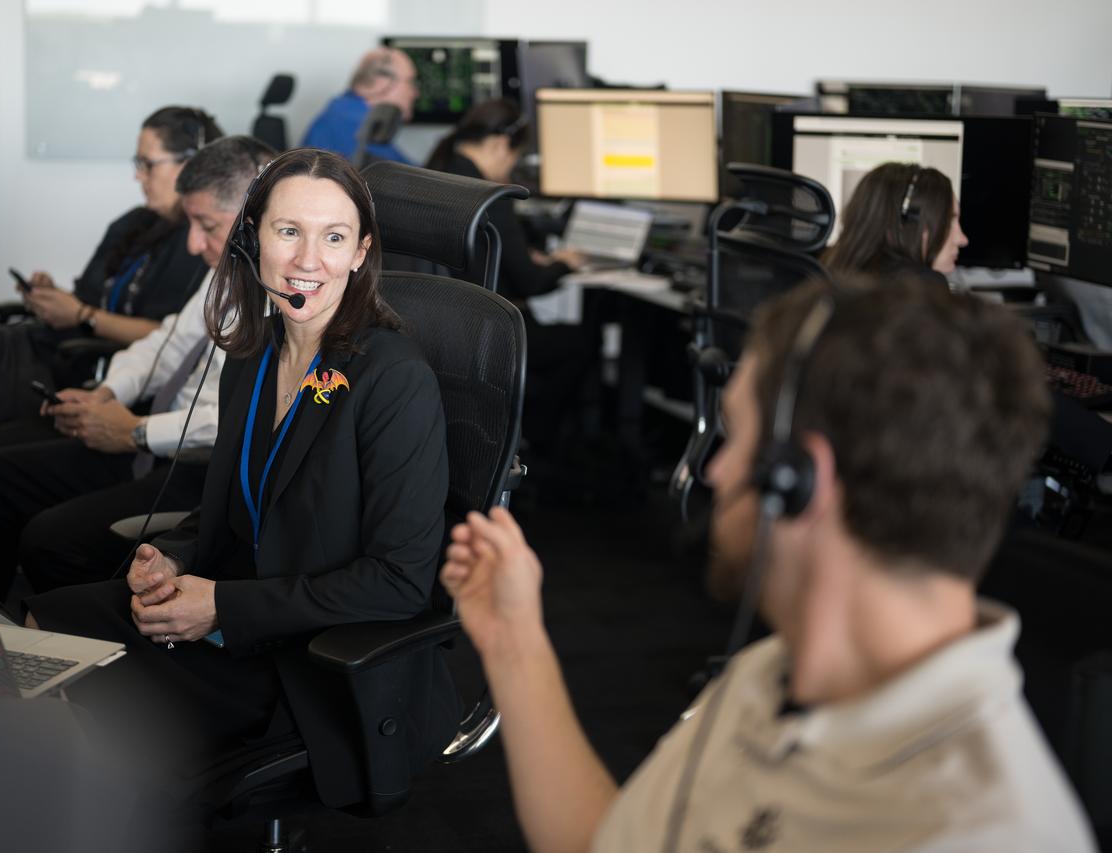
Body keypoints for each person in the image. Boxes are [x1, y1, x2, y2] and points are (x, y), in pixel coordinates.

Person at [441, 274, 1097, 851]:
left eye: (737, 435)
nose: (717, 471)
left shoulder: (975, 831)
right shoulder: (771, 675)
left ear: (801, 478)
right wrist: (514, 641)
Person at [24, 149, 460, 809]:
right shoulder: (251, 359)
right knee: (43, 627)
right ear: (251, 241)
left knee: (79, 688)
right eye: (289, 231)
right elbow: (228, 509)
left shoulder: (391, 379)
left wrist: (222, 606)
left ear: (361, 253)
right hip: (235, 616)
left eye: (334, 237)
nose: (309, 258)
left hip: (311, 660)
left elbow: (400, 582)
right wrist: (170, 559)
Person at [0, 136, 275, 603]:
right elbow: (165, 343)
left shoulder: (285, 298)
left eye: (206, 225)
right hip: (150, 440)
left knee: (50, 541)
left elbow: (242, 421)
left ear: (251, 217)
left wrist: (137, 431)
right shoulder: (226, 268)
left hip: (197, 473)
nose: (193, 242)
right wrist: (108, 393)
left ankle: (71, 645)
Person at [0, 106, 223, 444]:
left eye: (147, 164)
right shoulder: (134, 223)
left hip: (82, 363)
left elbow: (173, 338)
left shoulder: (200, 247)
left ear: (188, 164)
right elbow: (90, 297)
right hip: (51, 340)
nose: (137, 176)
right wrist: (56, 299)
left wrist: (82, 316)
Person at [426, 99, 590, 452]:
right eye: (516, 158)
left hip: (443, 328)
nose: (513, 167)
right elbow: (531, 282)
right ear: (501, 146)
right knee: (580, 342)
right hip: (488, 333)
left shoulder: (438, 173)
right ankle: (542, 442)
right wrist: (564, 263)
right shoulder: (490, 196)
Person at [822, 161, 969, 286]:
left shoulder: (824, 274)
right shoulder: (920, 286)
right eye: (948, 222)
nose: (962, 239)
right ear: (906, 224)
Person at [300, 47, 417, 163]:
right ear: (382, 82)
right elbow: (409, 176)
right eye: (410, 82)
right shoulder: (354, 122)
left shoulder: (343, 109)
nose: (415, 93)